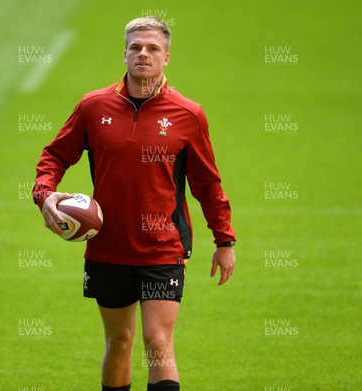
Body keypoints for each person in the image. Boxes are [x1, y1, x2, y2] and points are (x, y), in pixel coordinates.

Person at [32, 16, 236, 391]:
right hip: (108, 247)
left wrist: (224, 241)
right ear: (124, 54)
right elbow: (54, 156)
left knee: (158, 343)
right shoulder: (93, 107)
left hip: (163, 248)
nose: (144, 54)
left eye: (153, 48)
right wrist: (45, 196)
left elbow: (207, 184)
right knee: (119, 342)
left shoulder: (188, 115)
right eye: (136, 47)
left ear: (166, 58)